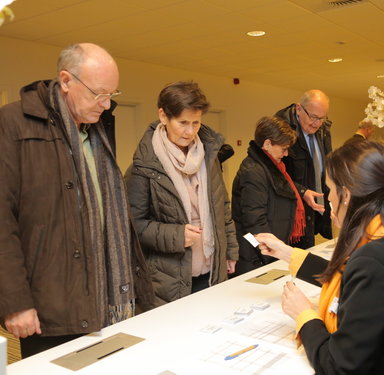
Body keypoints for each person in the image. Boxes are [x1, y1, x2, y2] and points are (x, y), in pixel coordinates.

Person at [0, 43, 153, 358]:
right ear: (66, 81)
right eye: (98, 94)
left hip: (108, 296)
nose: (107, 104)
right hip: (50, 303)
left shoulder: (97, 129)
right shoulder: (13, 123)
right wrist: (15, 302)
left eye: (112, 94)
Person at [256, 141, 384, 375]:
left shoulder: (373, 260)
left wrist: (305, 316)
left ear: (347, 195)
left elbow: (339, 366)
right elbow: (350, 277)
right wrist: (284, 251)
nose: (329, 197)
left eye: (331, 188)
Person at [125, 81, 238, 307]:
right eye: (183, 123)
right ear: (163, 116)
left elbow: (222, 206)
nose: (190, 131)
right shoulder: (143, 166)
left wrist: (230, 250)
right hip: (168, 280)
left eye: (196, 123)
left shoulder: (209, 156)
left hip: (211, 271)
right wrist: (176, 235)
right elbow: (134, 226)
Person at [231, 116, 305, 275]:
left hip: (267, 251)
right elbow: (255, 220)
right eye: (283, 149)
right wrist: (274, 253)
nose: (286, 154)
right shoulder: (254, 171)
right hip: (256, 256)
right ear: (267, 144)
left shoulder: (272, 167)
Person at [274, 90, 332, 248]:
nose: (317, 123)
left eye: (322, 118)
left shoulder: (323, 130)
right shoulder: (282, 130)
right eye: (313, 117)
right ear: (299, 109)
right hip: (292, 212)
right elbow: (276, 174)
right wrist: (302, 191)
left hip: (317, 207)